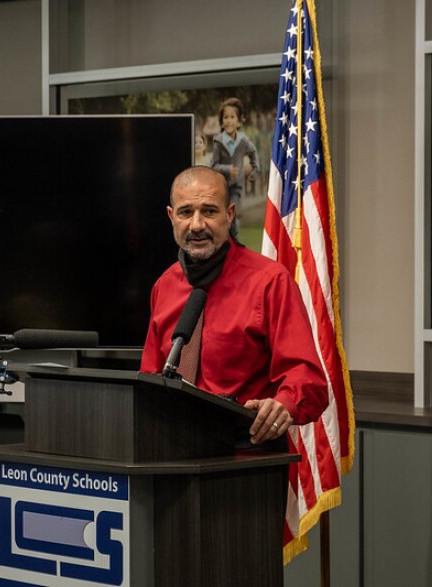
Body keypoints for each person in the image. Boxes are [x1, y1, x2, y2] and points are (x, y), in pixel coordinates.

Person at [140, 166, 327, 445]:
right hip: (171, 451)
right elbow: (149, 380)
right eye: (186, 212)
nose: (197, 225)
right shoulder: (164, 286)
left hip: (244, 458)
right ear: (171, 217)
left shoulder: (270, 282)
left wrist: (282, 405)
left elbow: (308, 380)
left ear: (229, 214)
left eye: (209, 211)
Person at [210, 97, 261, 229]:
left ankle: (234, 242)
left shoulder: (243, 141)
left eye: (232, 117)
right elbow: (213, 166)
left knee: (234, 215)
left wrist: (255, 170)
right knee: (222, 217)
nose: (229, 120)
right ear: (222, 122)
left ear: (239, 122)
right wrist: (227, 169)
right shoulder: (218, 142)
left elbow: (253, 153)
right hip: (221, 187)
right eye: (226, 117)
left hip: (237, 186)